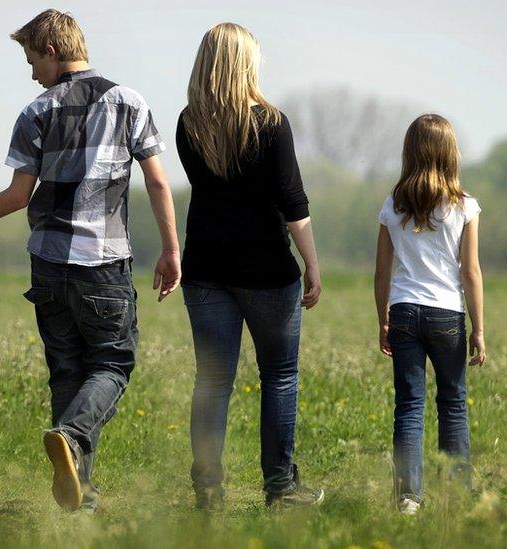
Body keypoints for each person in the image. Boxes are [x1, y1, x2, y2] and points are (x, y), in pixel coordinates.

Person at [0, 9, 181, 513]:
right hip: (103, 262)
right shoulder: (130, 102)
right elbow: (159, 182)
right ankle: (73, 439)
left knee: (67, 372)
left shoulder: (36, 112)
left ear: (51, 51)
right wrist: (171, 249)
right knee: (114, 363)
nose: (33, 72)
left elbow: (17, 196)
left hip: (49, 266)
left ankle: (79, 494)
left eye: (33, 60)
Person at [175, 22, 325, 509]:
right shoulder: (272, 123)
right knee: (279, 376)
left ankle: (208, 492)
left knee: (212, 380)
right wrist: (313, 264)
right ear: (245, 63)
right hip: (266, 272)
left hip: (205, 270)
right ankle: (279, 489)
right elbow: (293, 203)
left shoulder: (187, 124)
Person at [373, 113, 487, 515]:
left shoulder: (393, 204)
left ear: (410, 153)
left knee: (408, 405)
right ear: (449, 153)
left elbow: (382, 269)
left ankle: (408, 496)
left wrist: (383, 319)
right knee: (452, 403)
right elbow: (469, 271)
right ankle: (456, 494)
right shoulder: (464, 206)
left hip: (404, 310)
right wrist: (479, 329)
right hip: (447, 315)